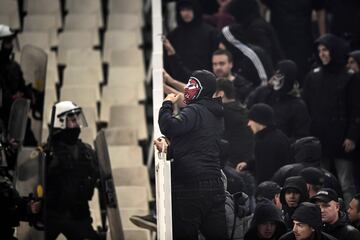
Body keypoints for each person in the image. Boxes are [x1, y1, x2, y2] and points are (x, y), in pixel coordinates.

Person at [158, 70, 227, 239]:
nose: (187, 88)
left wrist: (166, 104)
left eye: (191, 84)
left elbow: (169, 126)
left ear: (201, 89)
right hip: (215, 185)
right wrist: (170, 149)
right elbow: (196, 144)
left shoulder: (195, 110)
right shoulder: (217, 115)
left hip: (189, 185)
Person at [302, 34, 360, 206]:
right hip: (320, 140)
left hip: (342, 141)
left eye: (325, 50)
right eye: (319, 50)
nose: (322, 54)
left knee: (346, 183)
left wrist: (352, 136)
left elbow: (356, 109)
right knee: (321, 183)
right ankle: (322, 216)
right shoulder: (313, 76)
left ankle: (353, 219)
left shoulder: (350, 77)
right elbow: (307, 107)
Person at [44, 101, 100, 240]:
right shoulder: (48, 152)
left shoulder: (86, 151)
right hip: (53, 214)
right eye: (73, 120)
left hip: (78, 214)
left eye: (77, 119)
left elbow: (98, 177)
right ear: (60, 122)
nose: (77, 124)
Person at [259, 0, 327, 84]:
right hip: (279, 42)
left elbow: (320, 10)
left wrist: (323, 39)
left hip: (303, 41)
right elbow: (263, 6)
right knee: (281, 78)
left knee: (303, 76)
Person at [245, 59, 310, 141]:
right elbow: (246, 111)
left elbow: (301, 136)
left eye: (281, 75)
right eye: (276, 73)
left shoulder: (298, 105)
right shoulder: (263, 93)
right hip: (255, 144)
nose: (276, 78)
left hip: (281, 149)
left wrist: (281, 144)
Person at [0, 24, 37, 147]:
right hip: (3, 121)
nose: (10, 46)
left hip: (18, 118)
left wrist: (30, 94)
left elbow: (22, 87)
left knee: (33, 148)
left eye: (11, 41)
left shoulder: (14, 66)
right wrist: (13, 98)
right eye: (7, 42)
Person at [165, 0, 219, 82]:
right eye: (183, 10)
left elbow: (215, 57)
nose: (186, 13)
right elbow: (169, 63)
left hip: (206, 81)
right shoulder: (173, 36)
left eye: (189, 9)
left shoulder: (210, 33)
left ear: (195, 10)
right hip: (181, 82)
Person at [237, 103, 292, 183]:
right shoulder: (278, 135)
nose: (248, 124)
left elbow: (265, 174)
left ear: (259, 120)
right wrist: (248, 164)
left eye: (251, 120)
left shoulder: (266, 143)